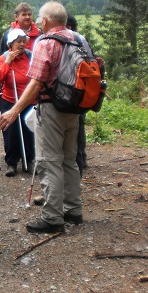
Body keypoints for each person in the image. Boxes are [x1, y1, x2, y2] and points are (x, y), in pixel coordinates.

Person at [0, 1, 83, 234]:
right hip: (74, 107)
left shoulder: (46, 43)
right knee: (69, 159)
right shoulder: (78, 39)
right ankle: (73, 209)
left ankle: (52, 216)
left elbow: (36, 82)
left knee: (49, 160)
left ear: (45, 21)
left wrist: (14, 111)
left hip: (51, 107)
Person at [0, 28, 35, 177]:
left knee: (29, 131)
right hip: (10, 99)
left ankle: (29, 160)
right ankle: (11, 163)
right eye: (19, 42)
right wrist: (8, 62)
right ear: (11, 43)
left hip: (29, 101)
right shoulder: (4, 58)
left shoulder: (30, 56)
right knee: (10, 133)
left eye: (24, 41)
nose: (22, 44)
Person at [66, 15, 91, 177]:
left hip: (68, 93)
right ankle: (81, 159)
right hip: (82, 92)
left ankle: (76, 162)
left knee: (71, 130)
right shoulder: (83, 41)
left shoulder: (66, 41)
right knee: (79, 126)